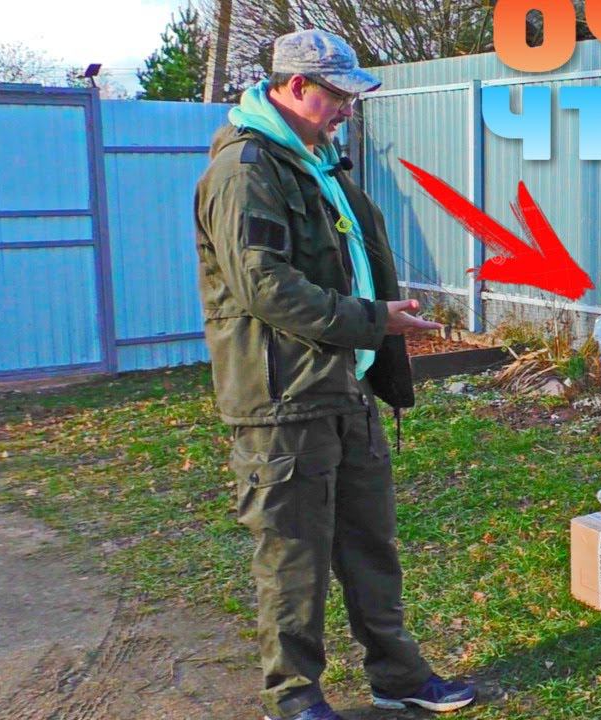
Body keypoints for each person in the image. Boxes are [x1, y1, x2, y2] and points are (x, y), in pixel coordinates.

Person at [194, 28, 476, 720]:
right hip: (283, 400)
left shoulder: (319, 163)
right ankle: (294, 696)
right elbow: (265, 287)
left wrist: (378, 329)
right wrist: (372, 320)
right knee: (293, 557)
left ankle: (397, 675)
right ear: (294, 87)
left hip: (345, 386)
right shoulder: (245, 170)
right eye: (337, 95)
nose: (348, 109)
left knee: (370, 545)